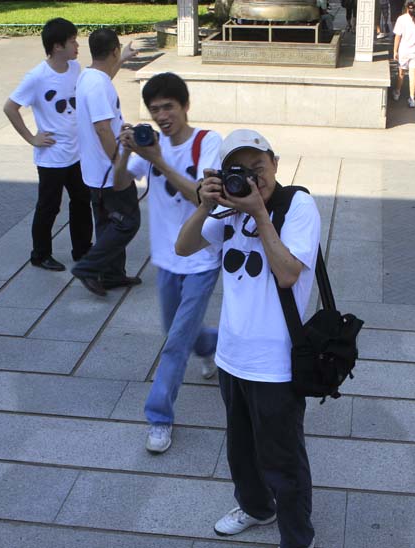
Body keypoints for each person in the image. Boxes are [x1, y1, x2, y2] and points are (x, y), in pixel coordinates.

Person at [175, 129, 321, 548]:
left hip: (276, 363)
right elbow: (183, 246)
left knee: (283, 461)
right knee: (240, 451)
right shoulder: (229, 210)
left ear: (275, 162)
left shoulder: (297, 205)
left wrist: (259, 213)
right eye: (240, 172)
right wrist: (205, 205)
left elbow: (288, 273)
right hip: (230, 355)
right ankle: (257, 508)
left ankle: (298, 538)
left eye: (259, 167)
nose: (253, 179)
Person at [115, 73, 222, 454]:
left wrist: (157, 159)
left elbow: (202, 198)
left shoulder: (207, 142)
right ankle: (215, 345)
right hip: (165, 258)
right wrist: (126, 151)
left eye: (168, 107)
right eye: (154, 109)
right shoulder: (149, 146)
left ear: (185, 105)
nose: (161, 116)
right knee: (177, 330)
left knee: (175, 343)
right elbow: (118, 184)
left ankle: (159, 418)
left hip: (201, 259)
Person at [3, 18, 92, 272]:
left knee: (81, 201)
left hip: (76, 153)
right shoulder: (37, 77)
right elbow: (10, 107)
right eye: (72, 41)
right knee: (49, 207)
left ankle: (82, 249)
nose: (77, 45)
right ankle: (40, 255)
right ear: (56, 46)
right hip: (52, 157)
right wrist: (32, 138)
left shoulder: (75, 68)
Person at [70, 28, 140, 296]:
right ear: (113, 50)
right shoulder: (98, 85)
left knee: (106, 222)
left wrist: (123, 58)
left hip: (93, 170)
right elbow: (102, 129)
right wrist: (119, 162)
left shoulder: (88, 76)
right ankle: (88, 267)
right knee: (127, 222)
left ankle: (111, 275)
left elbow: (106, 75)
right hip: (109, 171)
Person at [392, 1, 415, 108]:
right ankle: (412, 98)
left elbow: (397, 36)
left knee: (401, 73)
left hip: (404, 50)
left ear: (406, 7)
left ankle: (397, 92)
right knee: (413, 75)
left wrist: (395, 51)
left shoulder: (401, 19)